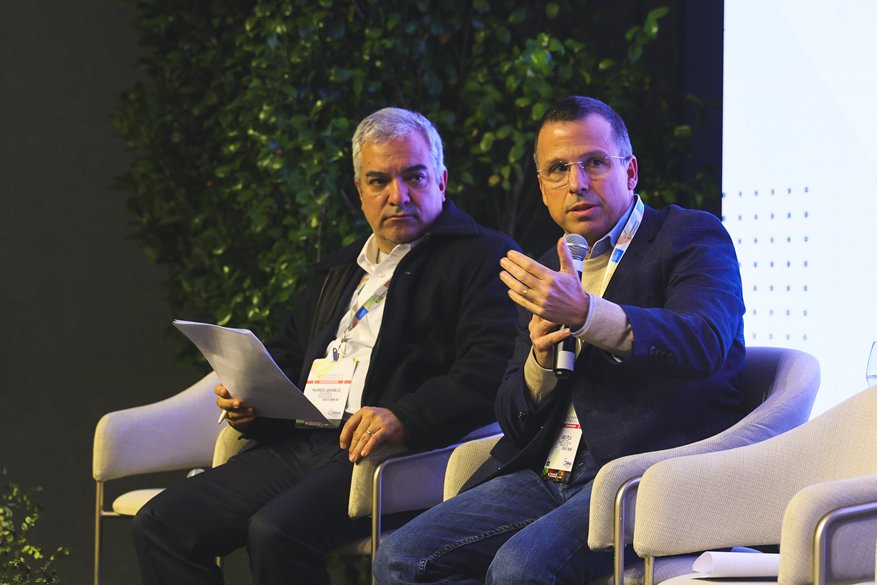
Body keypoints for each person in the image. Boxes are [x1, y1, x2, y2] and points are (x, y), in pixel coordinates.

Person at [131, 107, 520, 585]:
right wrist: (252, 403)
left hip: (388, 451)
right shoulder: (339, 269)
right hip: (303, 439)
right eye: (378, 181)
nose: (397, 195)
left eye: (414, 177)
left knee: (275, 532)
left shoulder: (485, 256)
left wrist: (404, 416)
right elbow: (289, 355)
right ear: (360, 191)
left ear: (441, 181)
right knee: (162, 525)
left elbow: (489, 370)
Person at [373, 95, 747, 584]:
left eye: (595, 162)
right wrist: (541, 363)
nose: (577, 183)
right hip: (548, 471)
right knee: (398, 558)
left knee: (518, 568)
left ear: (630, 171)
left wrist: (588, 314)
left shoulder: (689, 236)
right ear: (543, 188)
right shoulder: (545, 270)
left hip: (643, 473)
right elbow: (511, 415)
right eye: (558, 169)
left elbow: (705, 341)